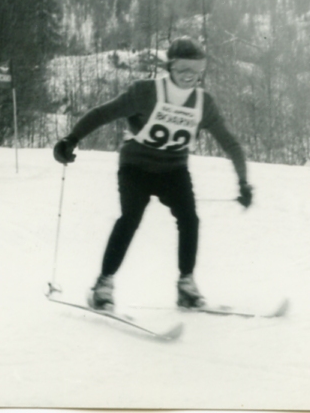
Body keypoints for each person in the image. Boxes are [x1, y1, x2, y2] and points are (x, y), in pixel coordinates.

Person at [52, 37, 253, 312]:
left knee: (189, 219)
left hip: (173, 170)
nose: (189, 78)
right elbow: (104, 113)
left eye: (196, 72)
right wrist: (71, 139)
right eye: (183, 70)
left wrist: (243, 181)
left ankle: (186, 285)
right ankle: (103, 285)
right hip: (136, 166)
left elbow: (229, 143)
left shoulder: (204, 103)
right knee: (130, 218)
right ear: (170, 67)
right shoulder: (146, 92)